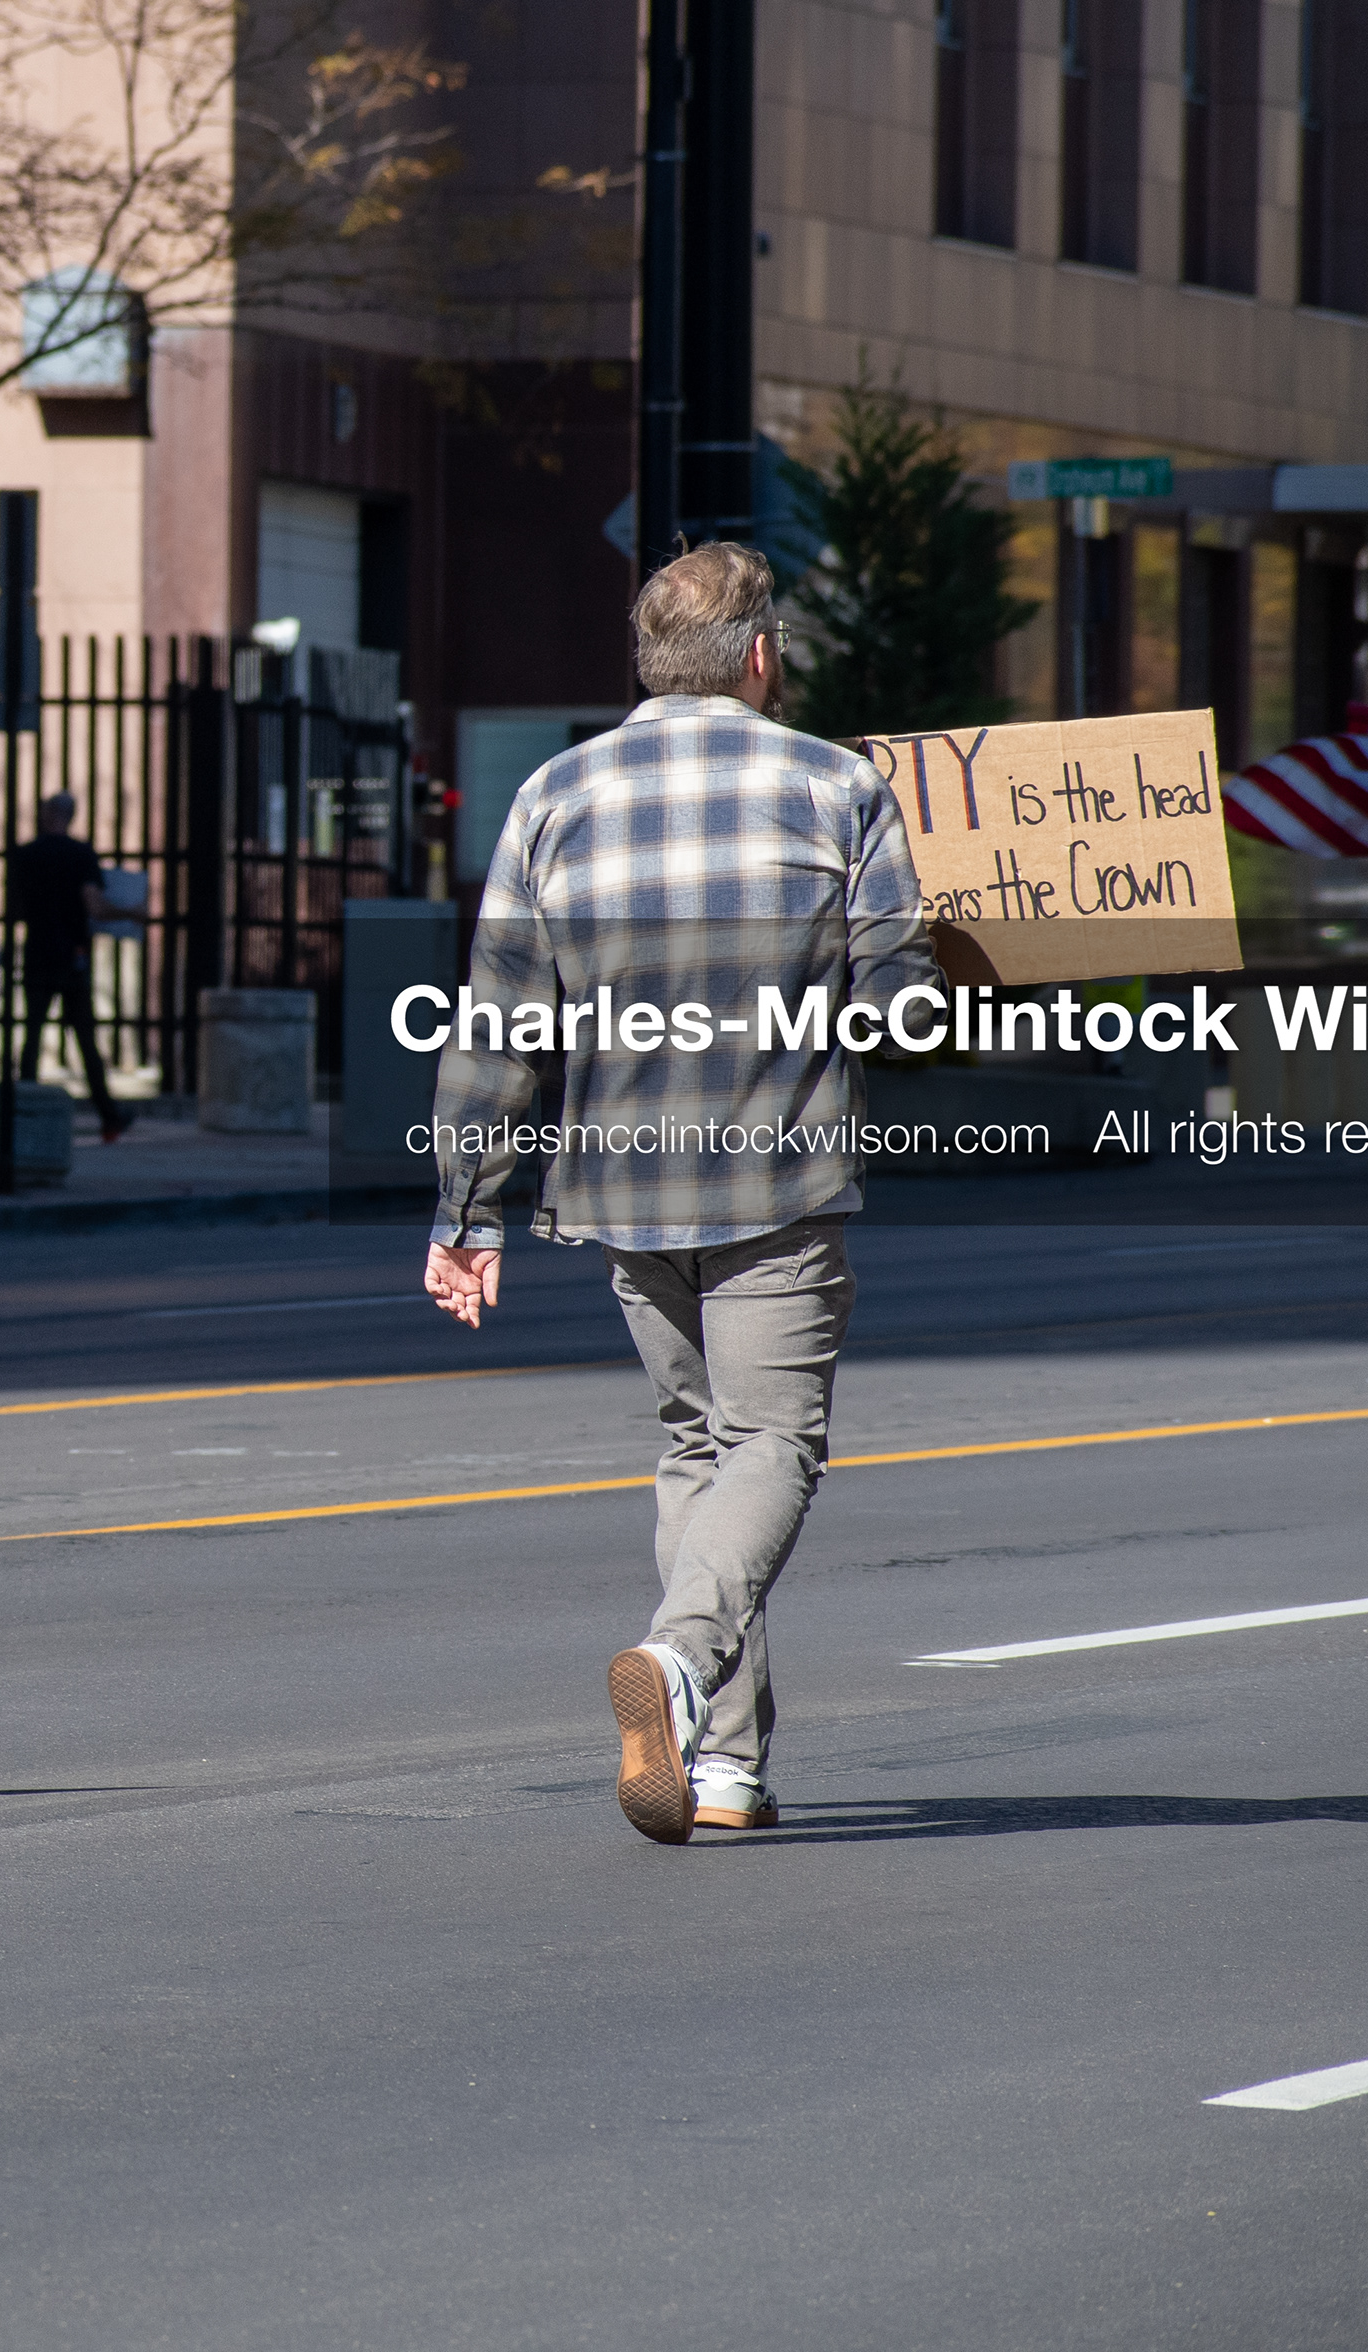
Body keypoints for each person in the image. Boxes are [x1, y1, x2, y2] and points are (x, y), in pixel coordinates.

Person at [419, 541, 935, 1846]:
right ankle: (679, 1659)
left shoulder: (553, 797)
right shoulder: (839, 787)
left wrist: (465, 1212)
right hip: (774, 1172)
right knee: (773, 1441)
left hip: (618, 1187)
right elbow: (902, 1016)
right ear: (761, 657)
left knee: (696, 1450)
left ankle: (723, 1774)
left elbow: (496, 1024)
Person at [6, 792, 135, 1141]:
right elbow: (94, 906)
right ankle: (109, 1115)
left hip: (37, 952)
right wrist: (132, 914)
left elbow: (14, 908)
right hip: (72, 955)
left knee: (31, 1035)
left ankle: (24, 1112)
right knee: (85, 1040)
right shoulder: (80, 854)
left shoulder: (25, 854)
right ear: (71, 816)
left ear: (45, 814)